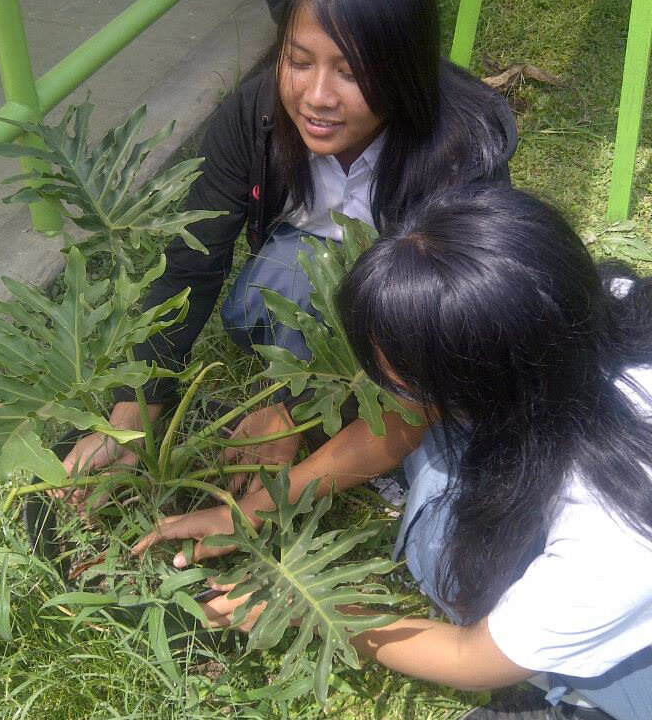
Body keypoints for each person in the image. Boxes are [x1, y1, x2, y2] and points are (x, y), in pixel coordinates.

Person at [195, 186, 652, 720]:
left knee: (450, 561)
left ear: (486, 389)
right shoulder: (593, 303)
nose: (378, 392)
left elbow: (475, 656)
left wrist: (312, 611)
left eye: (404, 384)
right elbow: (410, 420)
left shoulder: (612, 533)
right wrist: (257, 506)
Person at [55, 0, 516, 506]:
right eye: (298, 62)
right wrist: (133, 414)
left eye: (352, 72)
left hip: (402, 302)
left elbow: (446, 312)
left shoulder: (457, 147)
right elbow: (194, 261)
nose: (317, 98)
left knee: (454, 460)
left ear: (402, 68)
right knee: (287, 276)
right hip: (294, 279)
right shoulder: (254, 117)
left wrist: (290, 410)